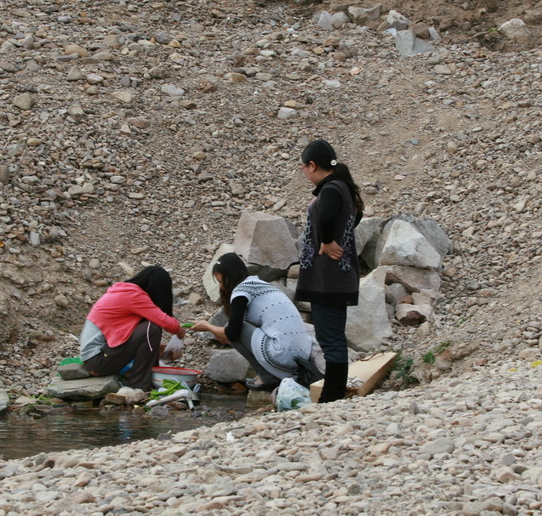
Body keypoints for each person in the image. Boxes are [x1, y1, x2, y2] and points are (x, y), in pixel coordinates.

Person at [295, 139, 364, 403]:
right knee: (329, 336)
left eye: (303, 167)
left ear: (312, 165)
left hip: (330, 278)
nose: (303, 172)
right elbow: (356, 215)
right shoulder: (340, 187)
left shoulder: (332, 189)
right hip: (334, 277)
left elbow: (326, 216)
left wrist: (327, 241)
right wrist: (340, 237)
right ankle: (332, 394)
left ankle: (332, 396)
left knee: (331, 338)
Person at [191, 253, 312, 391]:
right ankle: (271, 374)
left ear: (230, 277)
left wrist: (208, 327)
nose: (221, 287)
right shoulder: (259, 285)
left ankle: (269, 377)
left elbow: (233, 333)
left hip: (283, 355)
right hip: (302, 355)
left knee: (235, 331)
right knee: (232, 330)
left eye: (220, 281)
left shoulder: (241, 291)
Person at [79, 266, 186, 392]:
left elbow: (126, 334)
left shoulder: (124, 291)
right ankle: (138, 386)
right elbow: (167, 323)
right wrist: (180, 331)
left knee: (148, 330)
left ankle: (149, 378)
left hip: (96, 358)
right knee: (151, 328)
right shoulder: (133, 296)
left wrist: (154, 347)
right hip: (98, 360)